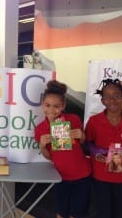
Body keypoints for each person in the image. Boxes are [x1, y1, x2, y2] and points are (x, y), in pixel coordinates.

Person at [85, 78, 122, 218]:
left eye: (117, 96)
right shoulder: (94, 121)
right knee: (103, 211)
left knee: (117, 211)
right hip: (100, 175)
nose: (112, 100)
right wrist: (95, 152)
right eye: (107, 97)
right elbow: (87, 142)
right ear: (102, 101)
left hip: (121, 175)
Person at [34, 80, 92, 218]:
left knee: (77, 213)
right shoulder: (40, 129)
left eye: (56, 106)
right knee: (61, 212)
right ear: (42, 105)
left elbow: (84, 145)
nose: (52, 110)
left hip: (83, 175)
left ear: (63, 106)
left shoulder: (73, 119)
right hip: (61, 177)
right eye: (48, 105)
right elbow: (49, 157)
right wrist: (42, 145)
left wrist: (81, 135)